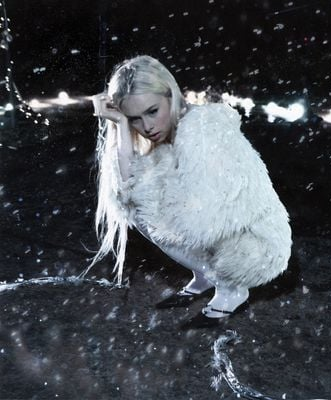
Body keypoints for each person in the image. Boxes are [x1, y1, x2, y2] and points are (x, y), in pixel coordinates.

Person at [88, 55, 292, 329]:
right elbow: (125, 190)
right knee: (137, 207)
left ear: (171, 95)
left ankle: (232, 291)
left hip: (255, 246)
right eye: (134, 119)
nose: (146, 127)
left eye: (152, 111)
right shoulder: (175, 129)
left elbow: (205, 223)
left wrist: (146, 195)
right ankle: (204, 276)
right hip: (222, 229)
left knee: (145, 206)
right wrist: (120, 126)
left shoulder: (203, 132)